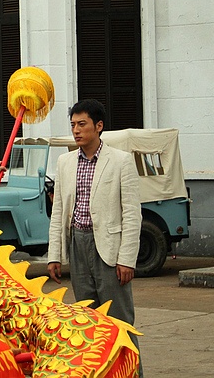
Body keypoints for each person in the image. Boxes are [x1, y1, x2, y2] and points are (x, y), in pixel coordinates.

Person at [46, 99, 143, 376]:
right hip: (78, 244)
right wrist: (54, 255)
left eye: (82, 124)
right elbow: (59, 212)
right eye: (73, 125)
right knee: (87, 320)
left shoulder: (121, 161)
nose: (76, 130)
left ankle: (132, 373)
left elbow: (132, 214)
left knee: (119, 321)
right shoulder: (65, 162)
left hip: (110, 250)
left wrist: (126, 259)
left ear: (99, 126)